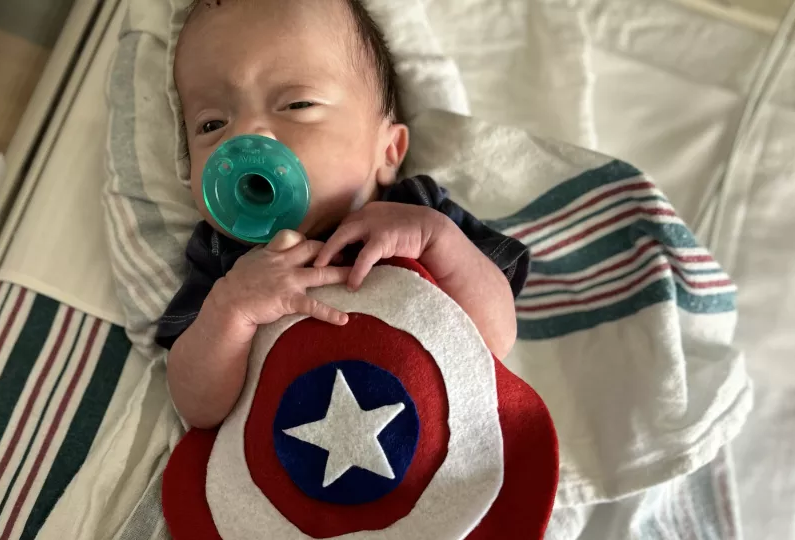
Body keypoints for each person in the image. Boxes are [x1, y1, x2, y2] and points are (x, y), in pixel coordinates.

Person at [159, 0, 529, 429]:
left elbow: (496, 338)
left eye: (297, 104)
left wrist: (438, 241)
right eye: (211, 125)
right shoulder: (225, 260)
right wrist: (232, 309)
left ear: (388, 151)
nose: (245, 137)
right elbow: (198, 409)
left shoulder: (418, 215)